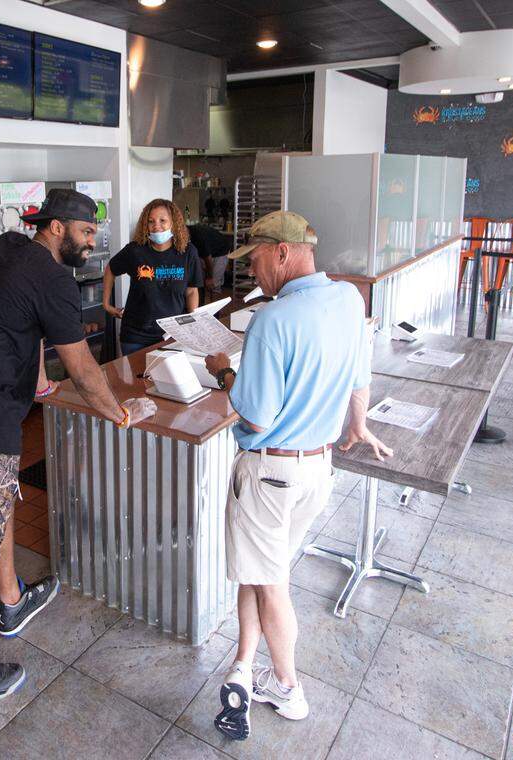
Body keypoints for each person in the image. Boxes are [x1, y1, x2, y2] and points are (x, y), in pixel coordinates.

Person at [0, 189, 157, 707]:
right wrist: (120, 413)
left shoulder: (5, 248)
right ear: (57, 227)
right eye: (85, 232)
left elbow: (18, 322)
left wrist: (38, 380)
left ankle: (13, 601)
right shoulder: (53, 280)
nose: (91, 243)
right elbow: (83, 368)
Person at [203, 211, 391, 741]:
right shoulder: (349, 299)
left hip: (270, 474)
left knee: (273, 584)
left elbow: (257, 415)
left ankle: (288, 687)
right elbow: (359, 376)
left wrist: (224, 372)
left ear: (282, 252)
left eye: (256, 259)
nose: (252, 271)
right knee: (261, 572)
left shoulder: (273, 320)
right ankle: (244, 664)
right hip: (316, 470)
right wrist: (358, 425)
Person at [103, 199, 204, 355]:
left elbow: (191, 291)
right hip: (135, 336)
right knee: (135, 372)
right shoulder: (135, 251)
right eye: (151, 221)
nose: (156, 226)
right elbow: (111, 269)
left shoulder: (188, 252)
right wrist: (106, 304)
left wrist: (192, 325)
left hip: (172, 335)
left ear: (174, 223)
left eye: (163, 220)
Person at [188, 222, 234, 299]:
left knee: (214, 283)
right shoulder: (188, 234)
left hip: (221, 250)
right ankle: (201, 304)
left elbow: (207, 258)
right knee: (200, 281)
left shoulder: (198, 236)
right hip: (207, 251)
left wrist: (210, 277)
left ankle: (215, 304)